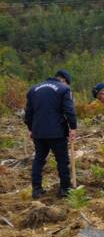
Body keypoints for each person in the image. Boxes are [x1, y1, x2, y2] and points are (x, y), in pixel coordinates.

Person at [24, 69, 77, 199]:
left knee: (39, 160)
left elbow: (28, 112)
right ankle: (65, 189)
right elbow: (69, 110)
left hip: (38, 132)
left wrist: (30, 128)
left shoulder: (33, 89)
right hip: (57, 132)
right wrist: (73, 127)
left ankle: (36, 190)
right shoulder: (63, 89)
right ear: (64, 80)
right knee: (62, 160)